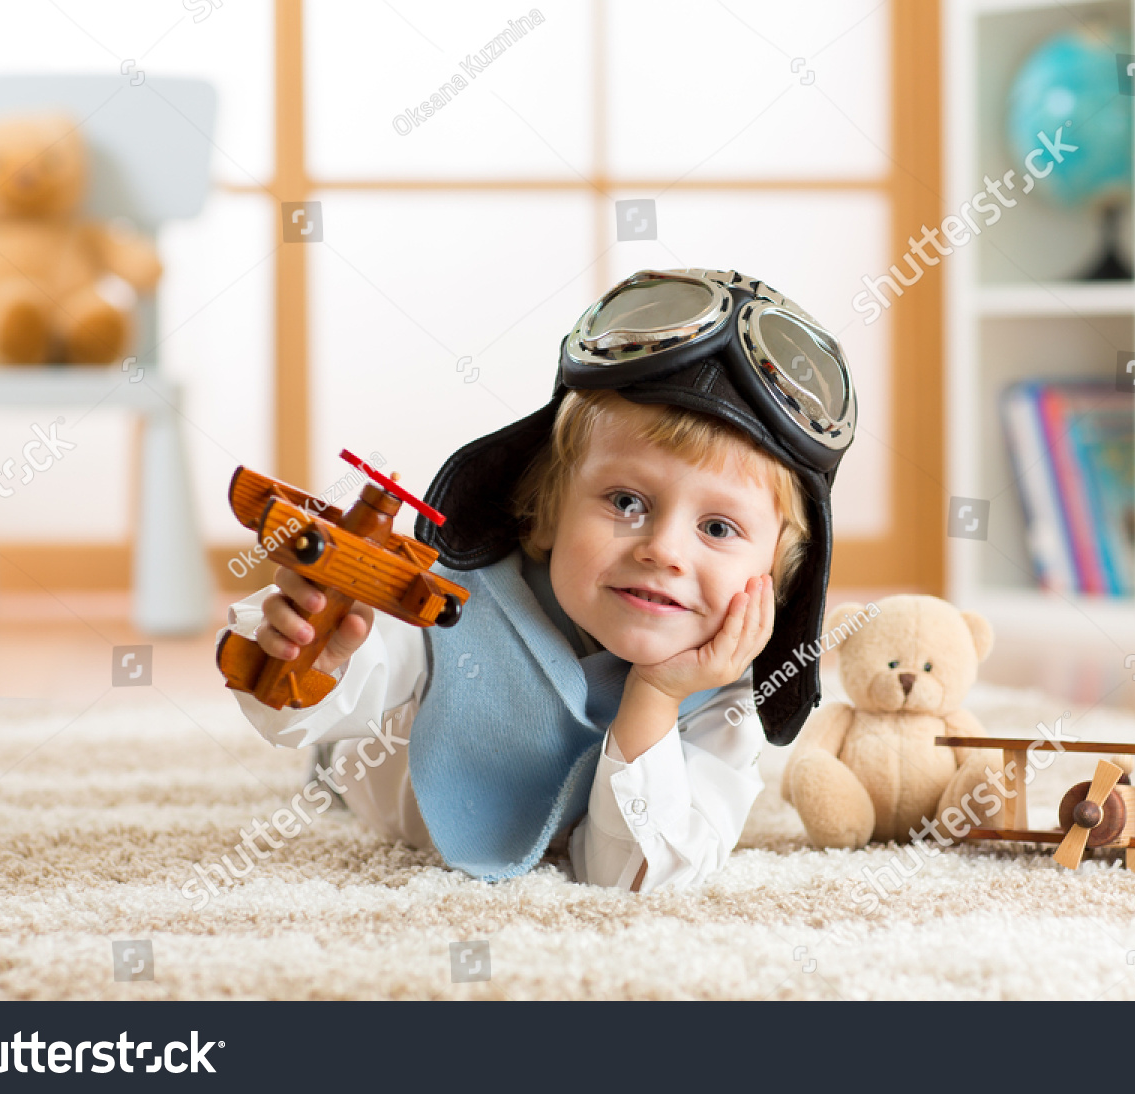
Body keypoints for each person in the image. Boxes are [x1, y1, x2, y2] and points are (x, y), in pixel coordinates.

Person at [219, 268, 858, 892]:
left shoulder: (724, 692)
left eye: (718, 529)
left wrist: (658, 696)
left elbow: (635, 874)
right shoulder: (457, 600)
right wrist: (312, 649)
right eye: (626, 503)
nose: (664, 551)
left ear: (775, 576)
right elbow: (345, 666)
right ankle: (332, 764)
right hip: (382, 760)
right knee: (347, 723)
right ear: (548, 511)